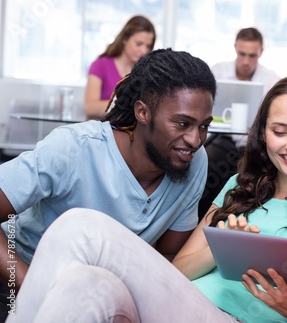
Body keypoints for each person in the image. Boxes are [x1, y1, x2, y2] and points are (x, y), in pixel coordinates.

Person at [7, 76, 287, 322]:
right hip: (179, 304)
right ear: (263, 134)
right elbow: (177, 271)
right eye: (279, 131)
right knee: (84, 285)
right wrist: (224, 244)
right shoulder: (239, 187)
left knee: (81, 227)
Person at [0, 48, 216, 316]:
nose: (195, 140)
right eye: (182, 123)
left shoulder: (195, 163)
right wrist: (31, 284)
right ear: (143, 112)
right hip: (18, 279)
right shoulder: (74, 148)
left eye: (204, 126)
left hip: (100, 295)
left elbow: (167, 258)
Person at [201, 27, 281, 220]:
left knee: (252, 174)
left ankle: (236, 219)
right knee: (206, 166)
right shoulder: (217, 72)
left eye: (252, 55)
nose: (246, 61)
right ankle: (203, 217)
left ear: (261, 52)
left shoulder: (271, 80)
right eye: (242, 54)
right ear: (235, 48)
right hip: (221, 138)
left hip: (252, 143)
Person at [84, 15, 156, 120]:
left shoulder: (146, 72)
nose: (144, 51)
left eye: (148, 46)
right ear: (125, 39)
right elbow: (90, 107)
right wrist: (124, 106)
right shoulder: (100, 65)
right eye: (139, 44)